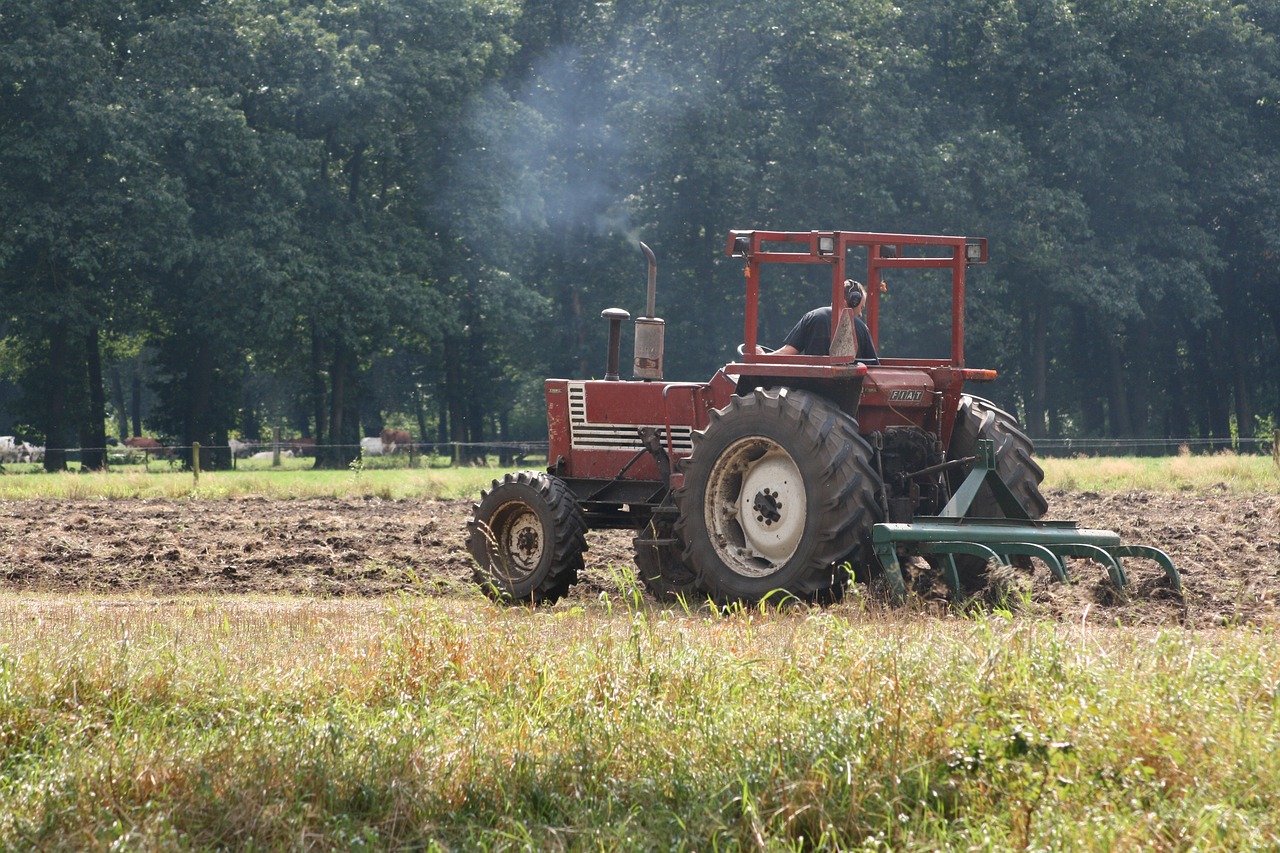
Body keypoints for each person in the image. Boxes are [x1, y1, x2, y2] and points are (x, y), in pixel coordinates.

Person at [769, 279, 879, 363]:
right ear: (853, 302)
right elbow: (874, 367)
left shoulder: (812, 317)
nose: (860, 314)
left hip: (810, 388)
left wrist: (763, 356)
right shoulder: (861, 328)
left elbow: (787, 353)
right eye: (861, 308)